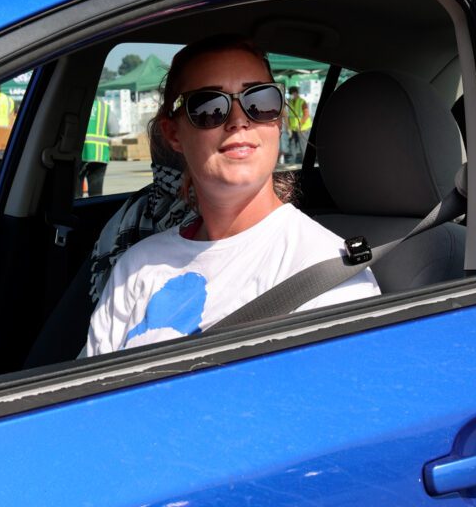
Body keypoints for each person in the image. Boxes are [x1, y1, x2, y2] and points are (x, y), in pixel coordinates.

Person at [84, 34, 380, 357]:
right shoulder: (137, 266)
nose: (239, 121)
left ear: (279, 120)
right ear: (173, 134)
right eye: (209, 107)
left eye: (260, 102)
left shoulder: (328, 271)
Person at [79, 98, 112, 197]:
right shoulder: (104, 108)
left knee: (76, 195)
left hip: (79, 154)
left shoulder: (76, 105)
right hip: (100, 155)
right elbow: (114, 130)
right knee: (96, 194)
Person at [286, 85, 312, 163]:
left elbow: (306, 115)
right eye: (290, 94)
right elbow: (289, 115)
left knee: (303, 146)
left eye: (292, 93)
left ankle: (305, 162)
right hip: (293, 128)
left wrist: (300, 125)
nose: (291, 95)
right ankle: (292, 162)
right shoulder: (290, 102)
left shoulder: (302, 102)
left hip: (303, 128)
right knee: (292, 145)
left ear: (296, 93)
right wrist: (289, 127)